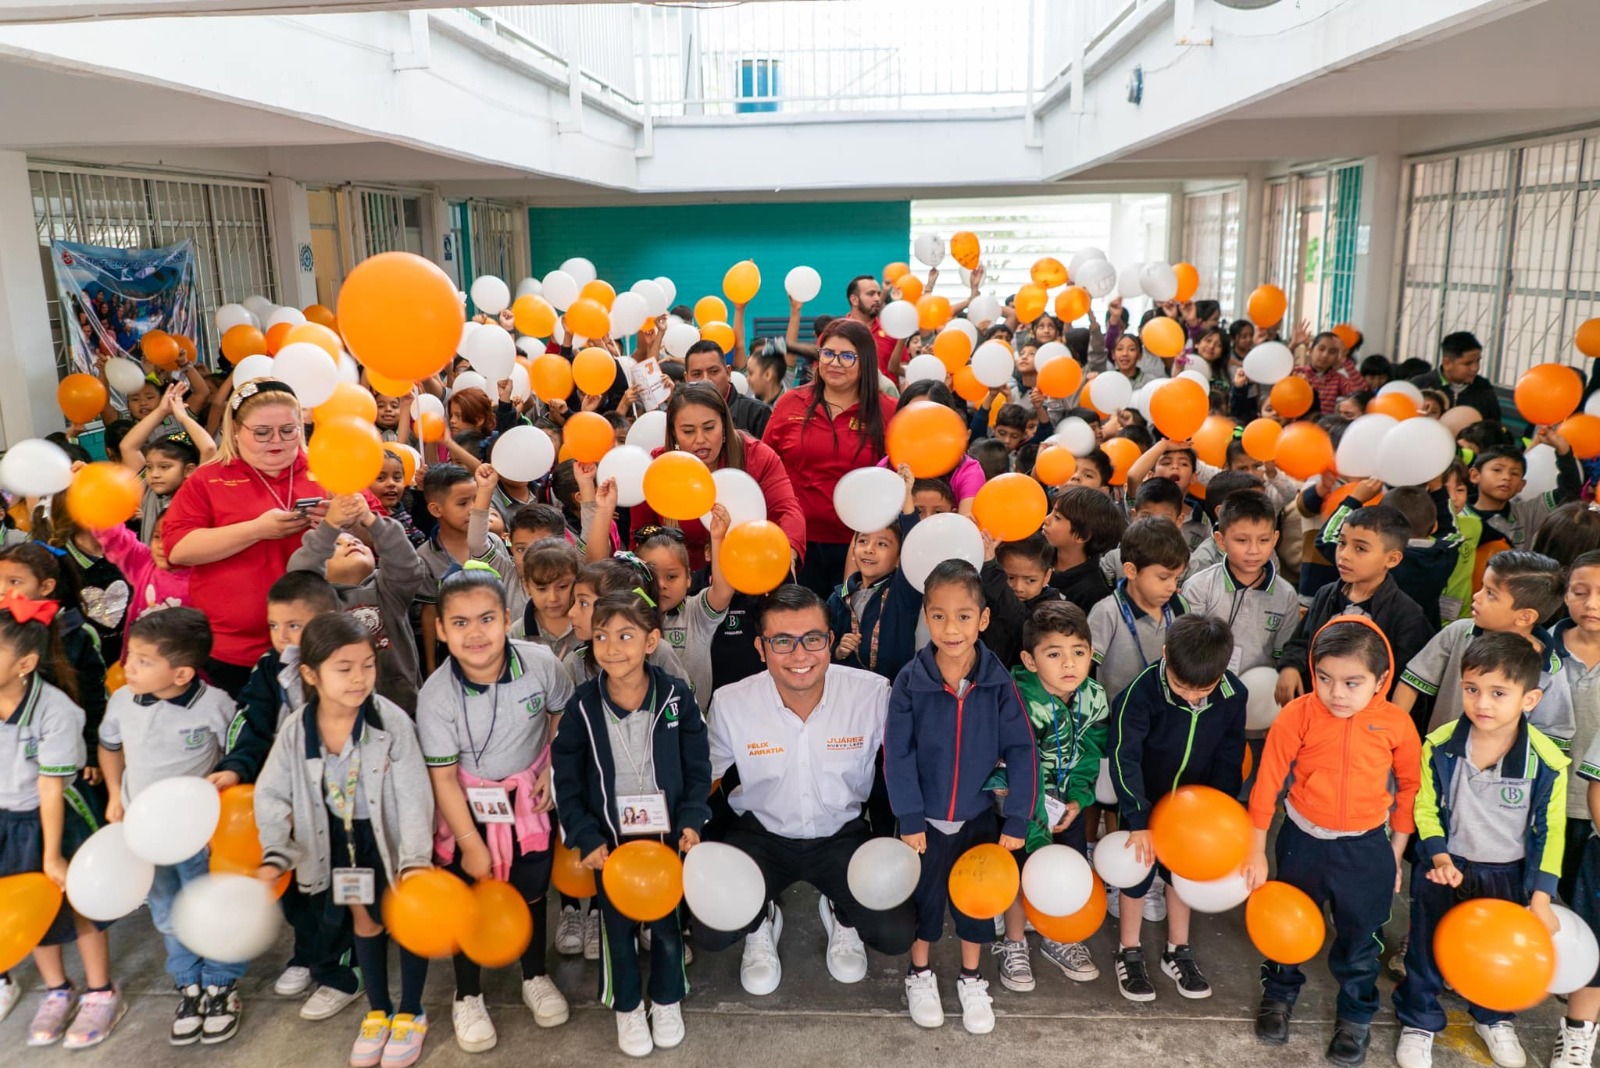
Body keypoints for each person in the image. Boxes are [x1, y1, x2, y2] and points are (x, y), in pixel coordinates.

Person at [701, 584, 916, 994]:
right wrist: (688, 827)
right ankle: (759, 919)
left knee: (894, 934)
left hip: (842, 835)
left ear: (829, 641)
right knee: (712, 931)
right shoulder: (731, 702)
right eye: (782, 641)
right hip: (762, 834)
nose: (800, 655)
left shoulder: (872, 694)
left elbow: (907, 763)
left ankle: (842, 911)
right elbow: (706, 776)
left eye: (812, 639)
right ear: (761, 648)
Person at [254, 613, 435, 1068]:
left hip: (387, 839)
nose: (360, 678)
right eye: (344, 668)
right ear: (311, 674)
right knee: (365, 922)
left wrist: (414, 859)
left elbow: (415, 795)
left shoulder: (390, 723)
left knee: (408, 921)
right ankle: (378, 1010)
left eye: (367, 665)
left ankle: (411, 1011)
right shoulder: (297, 730)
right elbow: (270, 792)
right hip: (337, 842)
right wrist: (275, 851)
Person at [1244, 618, 1422, 1066]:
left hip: (1366, 849)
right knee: (1287, 928)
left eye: (1352, 682)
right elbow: (1267, 783)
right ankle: (1279, 996)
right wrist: (1255, 849)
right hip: (1302, 842)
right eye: (1324, 679)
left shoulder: (1397, 724)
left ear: (1381, 680)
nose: (1336, 693)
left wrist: (1394, 854)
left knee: (1361, 940)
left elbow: (1409, 789)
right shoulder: (1297, 714)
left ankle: (1356, 1016)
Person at [1393, 633, 1569, 1068]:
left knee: (1497, 951)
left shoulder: (1545, 762)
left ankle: (1493, 1016)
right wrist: (1437, 856)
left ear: (1529, 699)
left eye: (1498, 693)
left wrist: (1541, 898)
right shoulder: (1439, 745)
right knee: (1427, 946)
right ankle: (1419, 1020)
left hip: (1506, 876)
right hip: (1445, 868)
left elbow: (1551, 832)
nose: (1481, 703)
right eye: (1471, 689)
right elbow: (1425, 806)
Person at [417, 567, 574, 1052]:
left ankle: (535, 975)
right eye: (459, 623)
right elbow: (442, 778)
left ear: (507, 619)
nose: (475, 633)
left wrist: (553, 768)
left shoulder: (542, 663)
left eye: (486, 619)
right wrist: (468, 843)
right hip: (466, 808)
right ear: (441, 630)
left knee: (531, 888)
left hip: (529, 801)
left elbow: (560, 714)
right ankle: (467, 993)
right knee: (472, 893)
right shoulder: (435, 697)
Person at [551, 589, 710, 1058]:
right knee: (616, 927)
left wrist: (692, 818)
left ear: (651, 641)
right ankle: (625, 1005)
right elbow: (567, 778)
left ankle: (665, 998)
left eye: (625, 635)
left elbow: (697, 765)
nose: (612, 647)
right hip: (610, 842)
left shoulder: (676, 696)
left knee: (666, 922)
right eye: (601, 636)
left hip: (665, 838)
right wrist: (584, 835)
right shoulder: (582, 706)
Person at [886, 560, 1037, 1035]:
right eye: (939, 616)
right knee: (925, 904)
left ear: (983, 619)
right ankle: (921, 973)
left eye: (964, 616)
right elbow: (898, 754)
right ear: (925, 618)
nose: (951, 628)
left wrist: (1017, 820)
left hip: (977, 820)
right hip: (924, 825)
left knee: (976, 903)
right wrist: (909, 818)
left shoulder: (998, 683)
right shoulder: (909, 682)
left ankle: (972, 979)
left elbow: (1022, 749)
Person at [97, 609, 243, 1045]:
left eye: (143, 660)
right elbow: (109, 747)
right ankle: (188, 983)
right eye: (131, 655)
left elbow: (235, 757)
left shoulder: (216, 705)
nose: (129, 666)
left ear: (181, 673)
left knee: (209, 906)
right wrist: (112, 794)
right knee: (166, 911)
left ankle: (221, 983)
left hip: (199, 835)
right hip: (145, 838)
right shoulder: (122, 700)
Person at [1106, 614, 1247, 1003]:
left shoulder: (1234, 695)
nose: (1191, 695)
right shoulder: (1139, 694)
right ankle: (1129, 950)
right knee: (1135, 876)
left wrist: (1220, 811)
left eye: (1203, 688)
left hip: (1194, 810)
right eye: (1181, 685)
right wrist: (1138, 816)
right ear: (1166, 655)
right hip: (1145, 803)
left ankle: (1177, 950)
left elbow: (1230, 754)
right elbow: (1124, 756)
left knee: (1182, 875)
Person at [0, 592, 119, 1050]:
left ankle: (100, 991)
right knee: (25, 905)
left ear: (26, 663)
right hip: (7, 820)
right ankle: (56, 990)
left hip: (57, 817)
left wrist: (51, 855)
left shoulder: (57, 711)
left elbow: (50, 788)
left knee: (79, 904)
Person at [164, 379, 323, 695]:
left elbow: (374, 536)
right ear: (236, 430)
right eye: (262, 433)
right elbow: (178, 549)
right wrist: (257, 530)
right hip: (232, 653)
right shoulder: (208, 479)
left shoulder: (328, 468)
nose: (276, 441)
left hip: (317, 643)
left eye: (289, 430)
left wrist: (345, 522)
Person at [1008, 601, 1107, 985]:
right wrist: (1035, 824)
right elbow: (1014, 767)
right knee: (1021, 875)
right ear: (1030, 660)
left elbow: (1090, 753)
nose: (1069, 665)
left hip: (1067, 803)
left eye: (1078, 653)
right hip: (1021, 805)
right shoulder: (1016, 700)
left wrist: (1078, 800)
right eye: (1054, 654)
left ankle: (1057, 936)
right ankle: (1014, 942)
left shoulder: (1094, 698)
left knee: (1067, 868)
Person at [761, 319, 896, 597]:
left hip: (861, 547)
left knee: (849, 629)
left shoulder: (888, 411)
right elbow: (766, 468)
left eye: (847, 356)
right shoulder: (790, 404)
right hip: (795, 543)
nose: (835, 363)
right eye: (828, 353)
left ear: (866, 362)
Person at [1394, 550, 1573, 745]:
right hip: (1437, 761)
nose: (1477, 596)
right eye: (1482, 587)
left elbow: (1553, 737)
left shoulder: (1550, 670)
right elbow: (1410, 684)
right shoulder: (1458, 633)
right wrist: (1394, 736)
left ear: (1525, 617)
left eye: (1490, 594)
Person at [1277, 505, 1432, 706]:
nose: (1344, 555)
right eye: (1342, 543)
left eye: (1360, 548)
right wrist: (1290, 667)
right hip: (1317, 707)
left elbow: (1403, 681)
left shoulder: (1407, 615)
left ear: (1392, 559)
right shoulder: (1326, 594)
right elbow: (1302, 641)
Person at [288, 492, 428, 712]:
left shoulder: (389, 591)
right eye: (337, 544)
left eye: (355, 540)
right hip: (340, 710)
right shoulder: (321, 602)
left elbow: (407, 564)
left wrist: (372, 521)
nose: (351, 542)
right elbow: (298, 574)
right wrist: (330, 526)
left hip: (401, 707)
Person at [1180, 490, 1299, 676]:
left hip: (1259, 693)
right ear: (1220, 540)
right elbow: (1186, 648)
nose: (1253, 550)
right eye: (1242, 540)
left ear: (1275, 539)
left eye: (1264, 540)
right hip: (1205, 685)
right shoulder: (1199, 587)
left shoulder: (1287, 596)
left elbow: (1282, 655)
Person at [415, 464, 518, 674]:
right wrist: (431, 664)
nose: (473, 508)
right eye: (463, 503)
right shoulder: (425, 555)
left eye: (476, 499)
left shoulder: (493, 543)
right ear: (436, 509)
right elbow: (429, 612)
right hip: (455, 651)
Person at [827, 465, 921, 682]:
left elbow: (913, 545)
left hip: (894, 688)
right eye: (863, 541)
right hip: (849, 690)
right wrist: (838, 651)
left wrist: (906, 496)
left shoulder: (902, 593)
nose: (869, 549)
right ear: (853, 551)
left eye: (882, 544)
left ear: (900, 558)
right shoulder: (838, 597)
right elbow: (824, 639)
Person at [1089, 518, 1191, 702]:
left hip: (1164, 714)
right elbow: (1086, 669)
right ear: (1131, 571)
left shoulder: (1179, 606)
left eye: (1176, 578)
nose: (1172, 587)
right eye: (1163, 577)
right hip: (1118, 717)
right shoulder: (1107, 613)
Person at [1042, 486, 1127, 615]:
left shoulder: (1093, 593)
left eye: (1057, 517)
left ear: (1082, 536)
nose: (1046, 519)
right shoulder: (1039, 556)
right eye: (1052, 512)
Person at [1407, 331, 1503, 422]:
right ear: (1447, 363)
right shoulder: (1420, 385)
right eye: (1468, 363)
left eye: (1478, 361)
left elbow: (1494, 425)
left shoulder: (1483, 388)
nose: (1475, 368)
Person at [684, 340, 771, 438]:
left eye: (713, 371)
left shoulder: (757, 412)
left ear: (728, 373)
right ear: (686, 378)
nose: (706, 380)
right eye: (697, 374)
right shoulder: (680, 414)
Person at [1290, 332, 1366, 415]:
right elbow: (1279, 374)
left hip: (1326, 425)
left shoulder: (1338, 379)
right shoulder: (1298, 372)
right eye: (1321, 349)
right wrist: (1292, 346)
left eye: (1332, 352)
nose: (1325, 355)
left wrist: (1344, 360)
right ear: (1311, 350)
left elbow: (1361, 389)